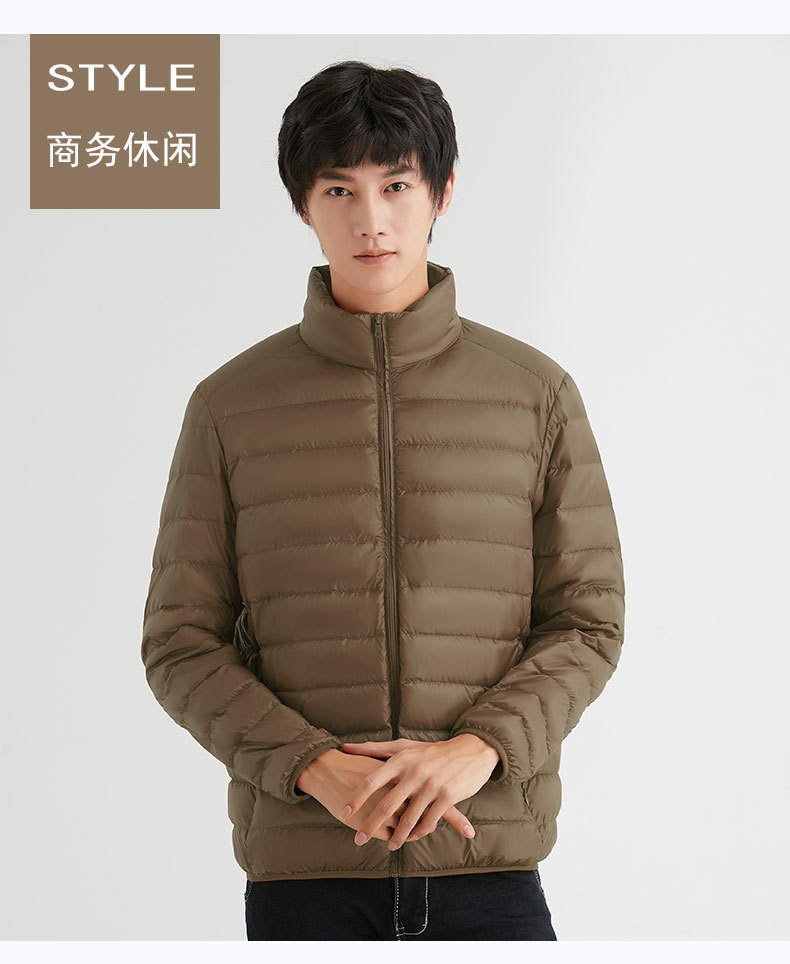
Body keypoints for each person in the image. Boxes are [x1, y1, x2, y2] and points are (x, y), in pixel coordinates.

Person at [141, 59, 625, 941]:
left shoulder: (534, 394)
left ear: (442, 192)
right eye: (340, 189)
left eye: (396, 184)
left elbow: (588, 623)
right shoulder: (230, 406)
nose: (371, 220)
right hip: (307, 879)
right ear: (303, 205)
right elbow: (179, 643)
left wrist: (477, 750)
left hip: (489, 864)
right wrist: (309, 764)